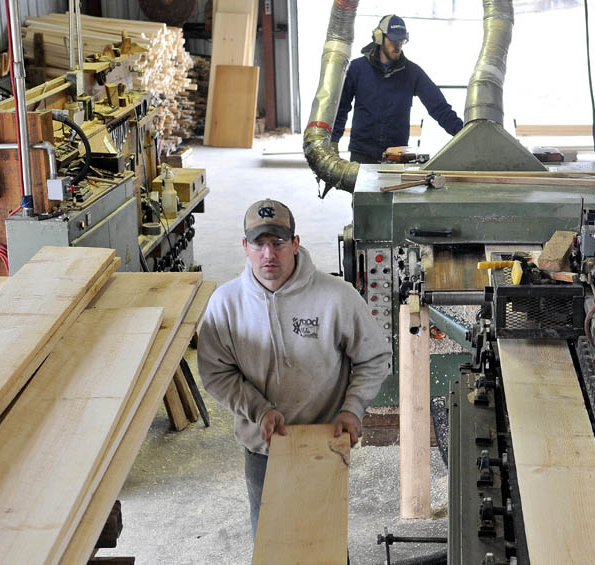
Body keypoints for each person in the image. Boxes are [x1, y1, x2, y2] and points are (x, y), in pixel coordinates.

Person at [197, 198, 391, 537]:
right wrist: (258, 410)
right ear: (245, 247)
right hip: (263, 446)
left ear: (295, 244)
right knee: (272, 541)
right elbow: (216, 372)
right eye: (259, 244)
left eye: (278, 243)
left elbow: (373, 357)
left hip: (326, 441)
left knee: (324, 542)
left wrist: (353, 409)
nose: (268, 254)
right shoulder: (225, 305)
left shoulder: (337, 297)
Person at [331, 14, 464, 164]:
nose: (398, 45)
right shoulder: (357, 69)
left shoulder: (412, 73)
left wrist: (464, 135)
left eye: (401, 40)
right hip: (362, 154)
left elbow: (439, 108)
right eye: (393, 39)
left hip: (397, 157)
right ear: (379, 38)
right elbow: (341, 108)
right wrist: (333, 140)